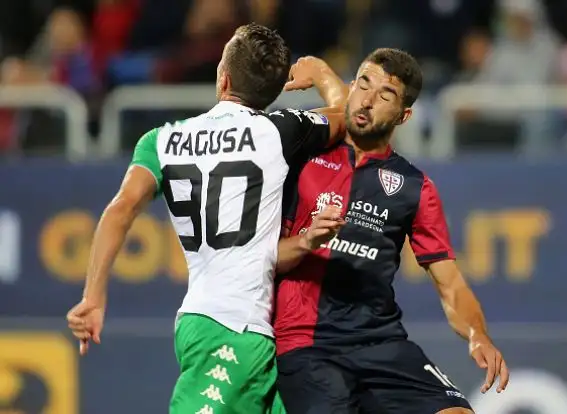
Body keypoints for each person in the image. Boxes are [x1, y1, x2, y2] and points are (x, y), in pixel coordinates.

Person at [65, 23, 347, 414]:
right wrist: (320, 73)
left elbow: (120, 209)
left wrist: (93, 296)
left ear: (223, 77)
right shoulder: (280, 132)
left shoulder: (162, 141)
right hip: (235, 327)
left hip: (211, 323)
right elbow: (348, 115)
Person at [274, 50, 510, 414]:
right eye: (363, 84)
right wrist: (307, 242)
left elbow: (450, 283)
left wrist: (477, 334)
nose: (368, 100)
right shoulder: (303, 155)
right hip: (307, 343)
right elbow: (262, 256)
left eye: (385, 95)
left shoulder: (415, 186)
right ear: (350, 87)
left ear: (404, 116)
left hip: (380, 341)